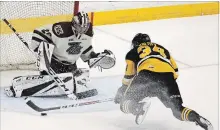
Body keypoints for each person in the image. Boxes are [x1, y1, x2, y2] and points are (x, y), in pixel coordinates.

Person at [4, 11, 115, 99]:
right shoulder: (61, 29)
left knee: (76, 80)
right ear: (74, 24)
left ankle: (59, 82)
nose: (83, 29)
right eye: (80, 26)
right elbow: (39, 31)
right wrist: (40, 49)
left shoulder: (89, 32)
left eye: (85, 26)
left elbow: (85, 48)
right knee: (52, 82)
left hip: (71, 64)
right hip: (54, 63)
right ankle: (22, 88)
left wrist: (93, 57)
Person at [114, 33, 213, 130]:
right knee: (177, 110)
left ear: (135, 43)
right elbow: (176, 72)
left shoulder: (133, 52)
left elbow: (129, 75)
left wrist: (122, 90)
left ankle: (137, 107)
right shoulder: (163, 49)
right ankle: (196, 117)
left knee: (125, 103)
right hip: (168, 77)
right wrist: (161, 88)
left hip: (147, 74)